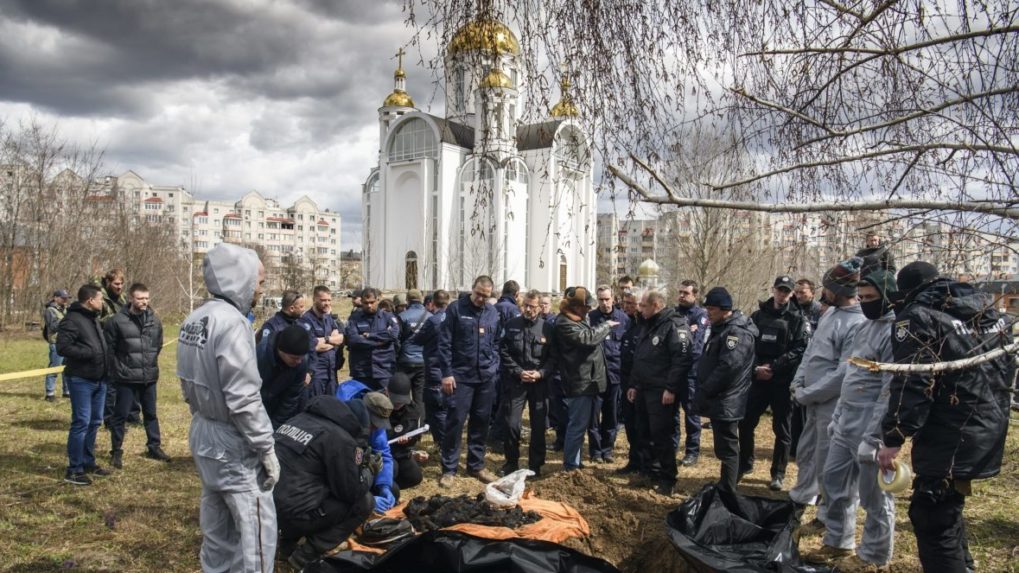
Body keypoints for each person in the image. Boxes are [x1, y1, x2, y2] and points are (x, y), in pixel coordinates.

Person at [878, 262, 1011, 573]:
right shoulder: (989, 313)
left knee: (931, 514)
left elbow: (912, 378)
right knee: (947, 508)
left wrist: (894, 436)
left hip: (949, 429)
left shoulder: (919, 316)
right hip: (987, 423)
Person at [177, 243, 278, 572]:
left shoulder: (196, 318)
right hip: (234, 441)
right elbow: (244, 396)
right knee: (255, 530)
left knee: (217, 524)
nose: (261, 290)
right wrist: (265, 446)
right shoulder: (232, 323)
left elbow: (188, 381)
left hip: (205, 431)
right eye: (259, 283)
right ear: (242, 279)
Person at [813, 269, 898, 567]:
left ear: (888, 297)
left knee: (875, 497)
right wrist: (837, 414)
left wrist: (876, 436)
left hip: (869, 423)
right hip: (845, 419)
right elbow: (851, 373)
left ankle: (874, 556)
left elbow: (890, 388)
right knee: (834, 483)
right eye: (861, 297)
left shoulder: (894, 332)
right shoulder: (863, 327)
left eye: (871, 297)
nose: (864, 303)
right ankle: (838, 542)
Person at [789, 258, 866, 532]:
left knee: (828, 460)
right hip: (810, 399)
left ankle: (827, 516)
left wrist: (810, 393)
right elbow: (811, 352)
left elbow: (844, 371)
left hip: (831, 404)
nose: (825, 292)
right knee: (806, 451)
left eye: (828, 287)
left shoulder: (857, 323)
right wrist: (798, 382)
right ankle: (802, 496)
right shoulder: (830, 314)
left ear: (840, 290)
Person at [273, 395, 377, 570]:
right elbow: (351, 492)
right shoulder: (341, 439)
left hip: (266, 508)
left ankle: (285, 546)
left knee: (307, 482)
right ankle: (304, 556)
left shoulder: (299, 418)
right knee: (364, 502)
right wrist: (369, 471)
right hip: (294, 515)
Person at [738, 275, 809, 491]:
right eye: (780, 290)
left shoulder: (797, 319)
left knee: (783, 430)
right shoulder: (758, 316)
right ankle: (745, 463)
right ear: (773, 290)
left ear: (791, 294)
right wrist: (757, 368)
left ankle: (778, 473)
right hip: (758, 379)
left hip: (781, 381)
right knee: (746, 422)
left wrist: (775, 367)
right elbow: (746, 344)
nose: (782, 294)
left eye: (786, 291)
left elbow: (799, 349)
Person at [437, 276, 502, 485]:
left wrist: (494, 365)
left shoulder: (492, 312)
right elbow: (444, 343)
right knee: (455, 422)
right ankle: (449, 469)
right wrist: (446, 373)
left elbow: (497, 342)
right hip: (460, 377)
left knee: (481, 422)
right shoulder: (456, 309)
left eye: (486, 296)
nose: (481, 299)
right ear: (472, 289)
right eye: (479, 294)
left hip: (485, 377)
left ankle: (476, 465)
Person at [627, 290, 693, 495]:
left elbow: (681, 360)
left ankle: (667, 478)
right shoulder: (648, 323)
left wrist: (671, 388)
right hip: (644, 388)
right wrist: (634, 384)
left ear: (656, 305)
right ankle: (650, 471)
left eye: (644, 305)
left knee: (661, 435)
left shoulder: (674, 325)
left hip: (661, 391)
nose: (640, 309)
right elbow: (641, 357)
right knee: (643, 431)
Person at [694, 287, 757, 493]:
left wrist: (706, 388)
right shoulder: (722, 328)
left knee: (728, 448)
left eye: (712, 309)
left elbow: (728, 366)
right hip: (720, 398)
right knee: (723, 447)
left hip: (727, 398)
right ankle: (725, 484)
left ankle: (728, 489)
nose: (708, 313)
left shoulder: (736, 333)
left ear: (725, 309)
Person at [104, 283, 169, 469]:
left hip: (149, 376)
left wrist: (148, 363)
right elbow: (110, 350)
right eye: (140, 298)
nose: (144, 302)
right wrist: (118, 370)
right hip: (125, 378)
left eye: (147, 298)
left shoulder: (154, 320)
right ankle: (116, 451)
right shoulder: (116, 321)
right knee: (120, 415)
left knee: (151, 414)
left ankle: (154, 447)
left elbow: (158, 345)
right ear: (131, 298)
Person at [553, 286, 617, 472]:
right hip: (578, 381)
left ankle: (575, 462)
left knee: (580, 425)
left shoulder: (577, 319)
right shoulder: (564, 323)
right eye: (585, 306)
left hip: (586, 381)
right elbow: (587, 338)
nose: (589, 309)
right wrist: (606, 326)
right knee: (577, 425)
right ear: (575, 307)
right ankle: (571, 466)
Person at [58, 284, 113, 485]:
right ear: (90, 300)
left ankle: (88, 462)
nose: (102, 302)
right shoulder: (72, 320)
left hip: (100, 379)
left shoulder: (93, 319)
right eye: (100, 299)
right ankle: (74, 470)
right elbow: (62, 347)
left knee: (94, 422)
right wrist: (89, 354)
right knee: (81, 422)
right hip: (81, 379)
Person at [498, 289, 557, 476]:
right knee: (512, 424)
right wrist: (518, 372)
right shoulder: (511, 325)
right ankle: (511, 462)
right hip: (517, 382)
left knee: (538, 426)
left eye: (532, 306)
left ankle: (535, 465)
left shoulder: (548, 328)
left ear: (540, 307)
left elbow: (553, 358)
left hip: (539, 383)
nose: (528, 309)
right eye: (525, 305)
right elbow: (504, 352)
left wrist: (540, 374)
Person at [335, 381, 399, 513]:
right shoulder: (340, 419)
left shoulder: (375, 411)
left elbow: (384, 453)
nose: (375, 428)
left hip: (355, 465)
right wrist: (365, 501)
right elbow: (339, 472)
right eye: (374, 423)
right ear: (364, 413)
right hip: (335, 476)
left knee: (394, 489)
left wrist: (384, 486)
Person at [587, 285, 630, 464]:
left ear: (613, 298)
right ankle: (595, 451)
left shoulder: (624, 319)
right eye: (601, 299)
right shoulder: (591, 318)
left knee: (611, 416)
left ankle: (608, 450)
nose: (604, 303)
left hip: (614, 375)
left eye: (607, 299)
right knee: (594, 417)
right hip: (595, 376)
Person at [674, 279, 710, 466]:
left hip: (691, 372)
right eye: (680, 292)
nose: (681, 296)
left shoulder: (701, 315)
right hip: (673, 372)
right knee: (671, 414)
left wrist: (686, 331)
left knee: (691, 414)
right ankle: (671, 448)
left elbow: (695, 346)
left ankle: (692, 451)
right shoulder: (673, 313)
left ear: (695, 295)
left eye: (686, 293)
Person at [410, 289, 450, 447]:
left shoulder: (434, 321)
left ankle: (442, 444)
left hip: (434, 368)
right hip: (450, 369)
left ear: (433, 302)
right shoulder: (455, 319)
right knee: (447, 409)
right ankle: (446, 442)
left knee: (436, 410)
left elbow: (418, 339)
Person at [99, 268, 138, 427]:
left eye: (122, 283)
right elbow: (96, 321)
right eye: (116, 283)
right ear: (108, 282)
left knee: (128, 382)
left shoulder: (122, 299)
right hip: (107, 345)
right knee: (111, 386)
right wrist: (117, 320)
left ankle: (130, 415)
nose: (119, 286)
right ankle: (109, 419)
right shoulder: (100, 299)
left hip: (124, 345)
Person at [344, 287, 400, 391]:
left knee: (386, 403)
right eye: (366, 303)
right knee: (362, 404)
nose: (369, 305)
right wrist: (380, 342)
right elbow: (353, 340)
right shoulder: (354, 318)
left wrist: (370, 336)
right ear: (361, 301)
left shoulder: (387, 317)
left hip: (383, 369)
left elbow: (393, 335)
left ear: (378, 300)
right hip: (362, 371)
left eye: (372, 302)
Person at [257, 324, 311, 429]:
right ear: (280, 350)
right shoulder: (259, 355)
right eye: (294, 358)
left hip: (276, 405)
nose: (299, 361)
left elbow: (290, 400)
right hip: (254, 405)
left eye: (301, 357)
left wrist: (274, 428)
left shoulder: (300, 362)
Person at [616, 290, 646, 474]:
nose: (626, 306)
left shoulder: (645, 326)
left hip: (640, 383)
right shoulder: (629, 323)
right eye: (625, 302)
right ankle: (634, 461)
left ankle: (643, 462)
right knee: (629, 423)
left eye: (631, 303)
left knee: (640, 425)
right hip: (626, 380)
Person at [301, 286, 343, 399]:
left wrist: (326, 339)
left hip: (331, 372)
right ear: (314, 299)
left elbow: (340, 339)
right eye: (323, 300)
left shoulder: (328, 318)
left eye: (329, 300)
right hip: (317, 374)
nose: (327, 303)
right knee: (316, 405)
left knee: (332, 407)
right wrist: (332, 341)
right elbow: (314, 347)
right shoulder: (306, 320)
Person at [385, 373, 426, 489]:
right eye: (395, 400)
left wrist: (409, 444)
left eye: (401, 401)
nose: (398, 404)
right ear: (387, 392)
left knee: (414, 477)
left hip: (400, 450)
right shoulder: (376, 404)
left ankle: (393, 486)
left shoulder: (413, 410)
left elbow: (414, 437)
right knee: (393, 467)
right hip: (381, 450)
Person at [397, 289, 431, 415]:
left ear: (407, 300)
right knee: (419, 396)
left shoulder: (402, 316)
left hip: (405, 361)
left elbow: (397, 339)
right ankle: (419, 426)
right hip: (423, 361)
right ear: (421, 299)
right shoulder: (430, 317)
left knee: (402, 394)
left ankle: (405, 424)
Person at [42, 289, 70, 401]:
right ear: (55, 298)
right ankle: (50, 393)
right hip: (56, 343)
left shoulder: (65, 309)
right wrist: (65, 319)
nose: (65, 300)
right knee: (54, 368)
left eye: (66, 298)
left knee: (67, 369)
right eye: (63, 298)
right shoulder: (50, 310)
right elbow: (53, 327)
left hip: (67, 343)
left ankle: (66, 391)